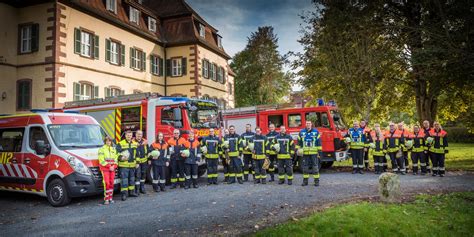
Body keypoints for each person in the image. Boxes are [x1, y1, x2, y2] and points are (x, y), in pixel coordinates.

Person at [297, 121, 321, 186]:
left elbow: (319, 142)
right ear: (305, 124)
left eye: (309, 123)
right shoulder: (301, 132)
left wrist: (319, 152)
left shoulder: (316, 132)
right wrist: (298, 149)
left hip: (314, 153)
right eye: (307, 123)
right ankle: (305, 181)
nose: (308, 124)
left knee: (315, 167)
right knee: (305, 167)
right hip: (305, 153)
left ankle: (316, 181)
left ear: (311, 124)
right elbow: (299, 142)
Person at [116, 130, 138, 201]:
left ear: (132, 136)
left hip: (132, 165)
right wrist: (120, 157)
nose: (129, 136)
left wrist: (137, 162)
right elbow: (117, 153)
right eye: (128, 135)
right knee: (124, 181)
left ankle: (131, 192)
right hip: (124, 165)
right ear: (125, 136)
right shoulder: (120, 143)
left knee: (132, 179)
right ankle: (124, 194)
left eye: (130, 135)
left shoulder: (135, 143)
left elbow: (137, 154)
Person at [98, 136, 118, 204]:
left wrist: (114, 166)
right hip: (105, 169)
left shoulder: (113, 149)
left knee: (112, 183)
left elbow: (116, 159)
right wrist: (109, 166)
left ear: (111, 142)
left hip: (112, 168)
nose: (108, 142)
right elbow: (101, 160)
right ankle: (106, 199)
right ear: (105, 142)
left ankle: (110, 198)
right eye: (107, 141)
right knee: (107, 183)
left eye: (109, 141)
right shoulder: (101, 149)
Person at [134, 130, 148, 195]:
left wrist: (149, 158)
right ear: (136, 134)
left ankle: (142, 188)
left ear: (142, 135)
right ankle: (137, 189)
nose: (139, 135)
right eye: (138, 134)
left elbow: (148, 151)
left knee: (143, 174)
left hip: (144, 161)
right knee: (137, 175)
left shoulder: (145, 142)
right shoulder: (133, 142)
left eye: (140, 134)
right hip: (137, 163)